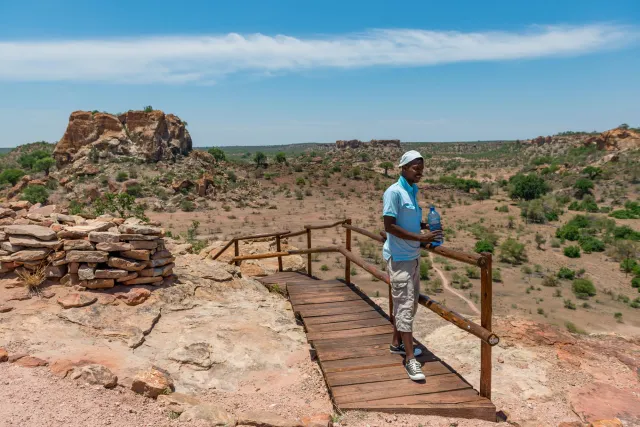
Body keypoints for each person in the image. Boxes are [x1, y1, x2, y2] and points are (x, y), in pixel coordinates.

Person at [382, 150, 442, 381]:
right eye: (416, 168)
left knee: (408, 304)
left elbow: (408, 220)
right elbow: (389, 226)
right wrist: (420, 239)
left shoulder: (412, 191)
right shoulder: (394, 192)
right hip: (400, 258)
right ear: (404, 168)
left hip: (412, 257)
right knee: (405, 306)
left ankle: (397, 343)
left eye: (422, 169)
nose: (420, 173)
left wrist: (424, 225)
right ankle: (410, 360)